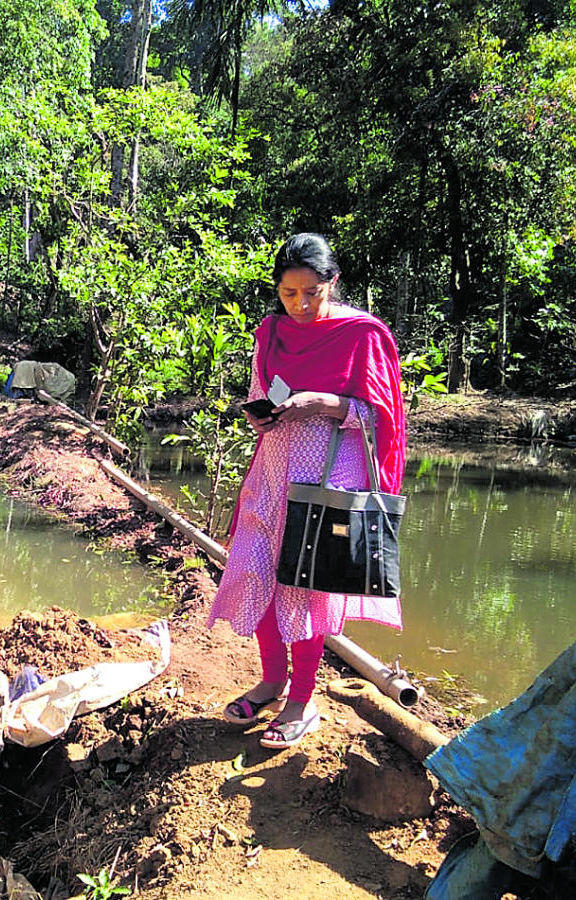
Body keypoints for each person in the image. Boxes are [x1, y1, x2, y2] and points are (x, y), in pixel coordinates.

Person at [208, 232, 406, 749]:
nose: (299, 304)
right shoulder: (269, 333)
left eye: (311, 292)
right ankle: (271, 681)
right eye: (288, 293)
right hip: (273, 471)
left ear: (333, 283)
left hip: (329, 474)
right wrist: (263, 412)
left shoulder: (364, 334)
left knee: (305, 582)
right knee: (258, 573)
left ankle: (302, 698)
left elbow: (382, 415)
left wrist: (326, 402)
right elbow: (259, 393)